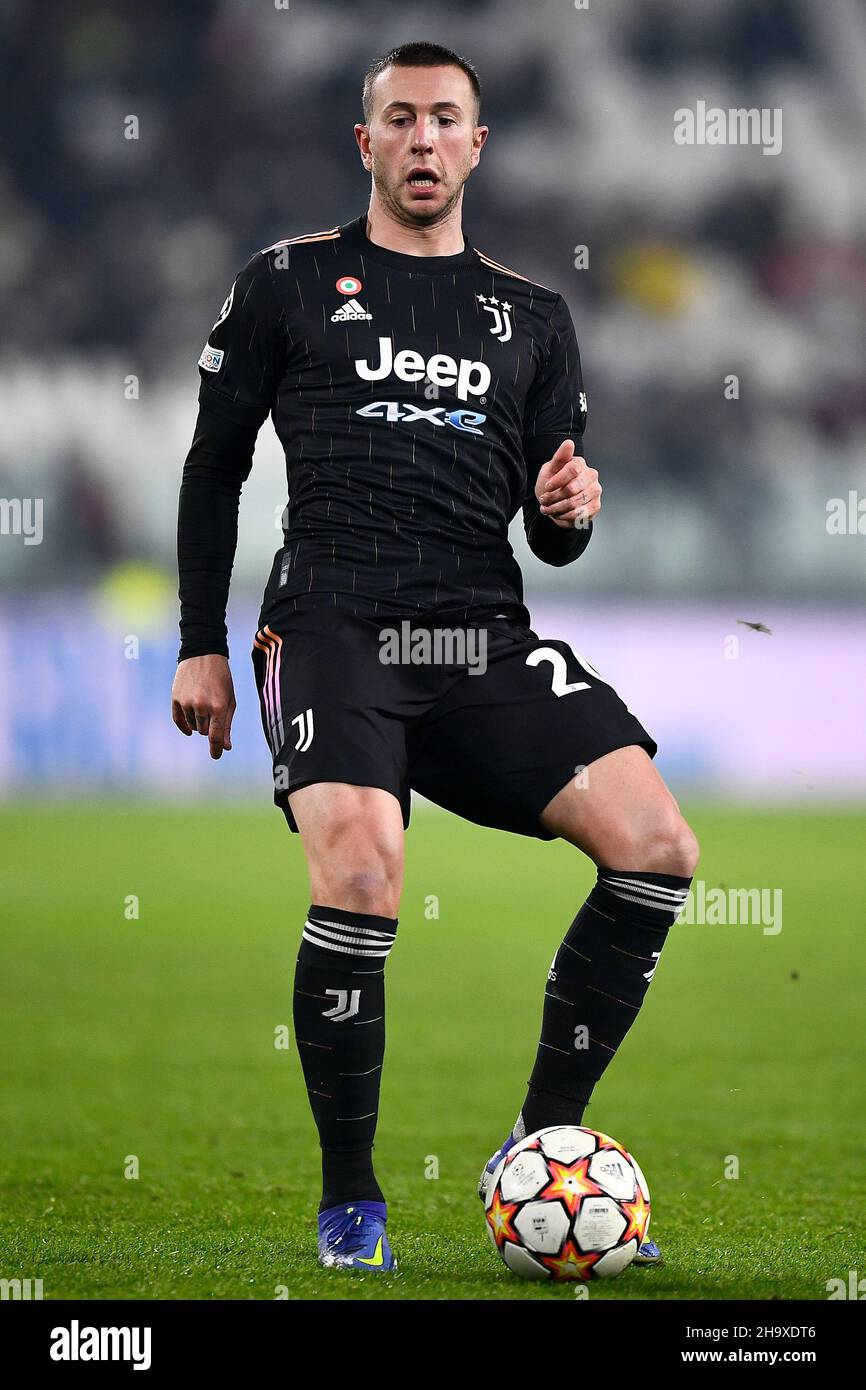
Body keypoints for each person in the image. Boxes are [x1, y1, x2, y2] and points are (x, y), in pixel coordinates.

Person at [171, 40, 699, 1275]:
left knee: (659, 849)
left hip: (476, 633)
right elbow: (213, 468)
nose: (420, 141)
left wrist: (568, 513)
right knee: (361, 870)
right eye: (397, 120)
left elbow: (552, 533)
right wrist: (200, 641)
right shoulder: (287, 284)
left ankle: (539, 1143)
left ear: (474, 146)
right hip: (335, 624)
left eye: (443, 121)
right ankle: (350, 1200)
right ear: (366, 144)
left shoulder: (535, 319)